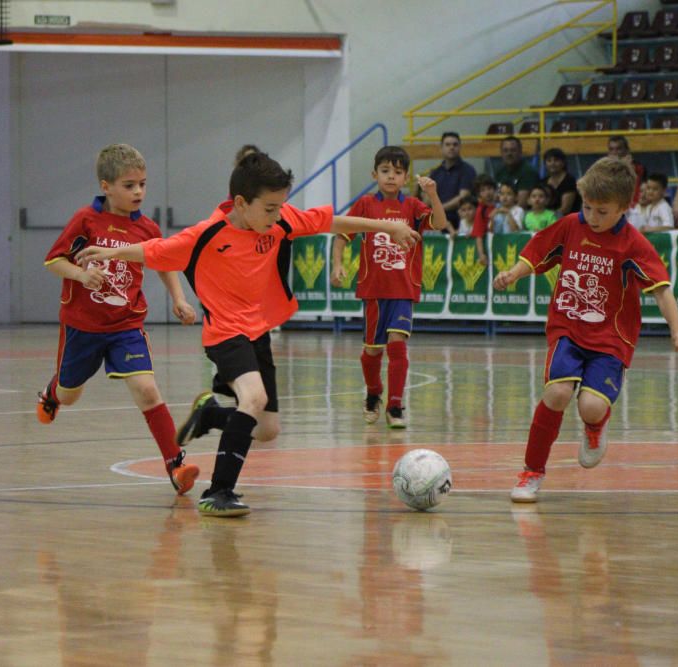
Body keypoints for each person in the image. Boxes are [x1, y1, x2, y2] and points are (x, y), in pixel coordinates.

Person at [75, 151, 420, 517]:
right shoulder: (206, 235)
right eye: (269, 208)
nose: (277, 216)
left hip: (258, 330)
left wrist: (390, 227)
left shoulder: (279, 221)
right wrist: (109, 254)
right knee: (252, 399)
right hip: (224, 332)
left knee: (268, 428)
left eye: (280, 207)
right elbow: (154, 250)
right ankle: (219, 491)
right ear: (241, 203)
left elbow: (331, 222)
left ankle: (210, 415)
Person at [493, 157, 678, 503]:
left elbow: (661, 288)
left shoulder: (632, 243)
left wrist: (677, 330)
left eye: (603, 211)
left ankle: (596, 426)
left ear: (624, 208)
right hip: (568, 328)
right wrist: (513, 273)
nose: (593, 218)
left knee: (591, 407)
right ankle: (531, 471)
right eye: (588, 208)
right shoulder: (571, 225)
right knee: (556, 394)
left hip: (611, 339)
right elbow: (537, 252)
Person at [35, 143, 201, 496]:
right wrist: (80, 276)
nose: (138, 191)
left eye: (142, 184)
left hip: (126, 325)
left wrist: (179, 299)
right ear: (106, 186)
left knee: (146, 389)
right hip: (82, 326)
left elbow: (163, 262)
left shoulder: (149, 229)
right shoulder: (85, 220)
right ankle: (52, 391)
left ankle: (176, 464)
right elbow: (54, 261)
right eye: (129, 185)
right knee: (70, 395)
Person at [329, 145, 447, 428]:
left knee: (398, 344)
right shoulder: (366, 205)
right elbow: (342, 235)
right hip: (374, 290)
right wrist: (338, 264)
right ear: (374, 174)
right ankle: (373, 393)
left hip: (403, 289)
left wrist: (432, 194)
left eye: (397, 172)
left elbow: (440, 223)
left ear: (406, 177)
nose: (391, 177)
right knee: (372, 350)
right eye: (385, 171)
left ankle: (395, 405)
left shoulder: (413, 207)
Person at [426, 132, 477, 230]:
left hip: (460, 222)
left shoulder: (467, 170)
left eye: (455, 144)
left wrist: (440, 209)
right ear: (441, 148)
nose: (452, 147)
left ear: (460, 147)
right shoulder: (435, 173)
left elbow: (463, 197)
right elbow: (429, 198)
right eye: (448, 144)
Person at [494, 136, 540, 208]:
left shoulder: (528, 172)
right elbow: (495, 198)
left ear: (520, 152)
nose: (509, 153)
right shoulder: (499, 172)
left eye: (513, 150)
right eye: (505, 150)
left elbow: (522, 204)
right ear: (501, 153)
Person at [606, 135, 645, 209]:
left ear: (627, 150)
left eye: (618, 149)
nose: (614, 153)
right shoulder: (605, 169)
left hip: (634, 209)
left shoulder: (638, 168)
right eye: (611, 149)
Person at [539, 147, 580, 217]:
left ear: (563, 163)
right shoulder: (543, 182)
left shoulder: (569, 180)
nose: (552, 163)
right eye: (549, 161)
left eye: (556, 160)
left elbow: (565, 209)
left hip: (567, 218)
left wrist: (548, 218)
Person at [472, 174, 497, 265]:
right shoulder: (481, 211)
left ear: (495, 189)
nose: (487, 192)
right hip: (492, 250)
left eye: (489, 188)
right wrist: (481, 254)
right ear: (479, 194)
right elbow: (478, 235)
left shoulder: (501, 204)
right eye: (483, 190)